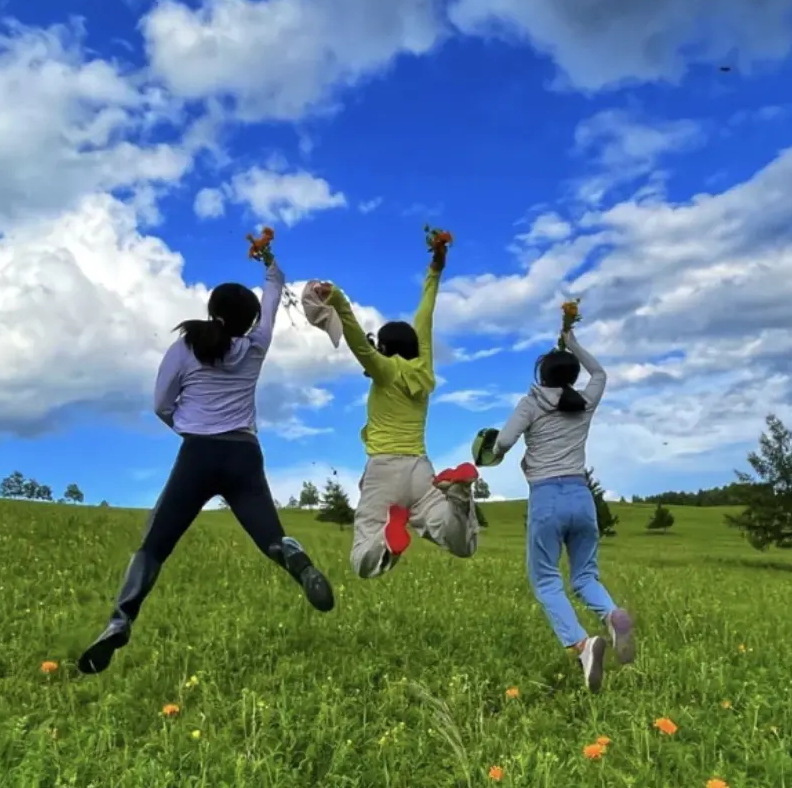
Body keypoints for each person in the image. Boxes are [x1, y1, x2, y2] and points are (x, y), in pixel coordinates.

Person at [77, 232, 333, 675]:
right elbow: (274, 291)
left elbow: (160, 403)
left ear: (211, 311)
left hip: (198, 454)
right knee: (269, 536)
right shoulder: (257, 346)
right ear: (249, 319)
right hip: (244, 456)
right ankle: (296, 559)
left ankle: (121, 618)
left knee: (155, 545)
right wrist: (269, 263)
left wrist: (185, 427)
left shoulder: (185, 347)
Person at [473, 320, 634, 690]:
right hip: (582, 496)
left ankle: (583, 644)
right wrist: (573, 342)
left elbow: (503, 443)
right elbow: (600, 372)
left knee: (546, 580)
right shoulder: (586, 401)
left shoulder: (531, 403)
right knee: (585, 576)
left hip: (547, 498)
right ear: (571, 376)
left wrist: (491, 449)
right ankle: (612, 615)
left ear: (541, 376)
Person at [316, 228, 479, 578]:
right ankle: (459, 495)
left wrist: (339, 301)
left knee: (361, 560)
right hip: (422, 470)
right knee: (462, 545)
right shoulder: (424, 370)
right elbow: (426, 313)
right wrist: (435, 268)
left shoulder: (384, 370)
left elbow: (358, 343)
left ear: (386, 350)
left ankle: (388, 542)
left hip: (383, 470)